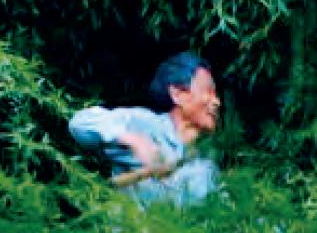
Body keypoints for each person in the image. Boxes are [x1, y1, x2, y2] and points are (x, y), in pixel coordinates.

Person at [68, 53, 222, 206]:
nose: (217, 102)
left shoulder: (205, 166)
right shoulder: (144, 124)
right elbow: (80, 123)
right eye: (208, 91)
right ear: (178, 94)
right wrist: (135, 140)